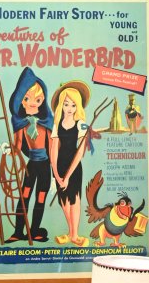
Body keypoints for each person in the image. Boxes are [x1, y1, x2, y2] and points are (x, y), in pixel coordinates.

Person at [6, 67, 53, 243]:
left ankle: (34, 231)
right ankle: (18, 231)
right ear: (21, 101)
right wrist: (9, 151)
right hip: (31, 166)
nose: (33, 103)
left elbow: (53, 148)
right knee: (24, 196)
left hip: (45, 167)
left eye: (37, 99)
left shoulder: (46, 122)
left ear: (42, 100)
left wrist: (56, 173)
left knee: (40, 198)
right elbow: (17, 145)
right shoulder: (21, 123)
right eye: (27, 98)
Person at [50, 81, 91, 247]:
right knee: (63, 201)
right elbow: (54, 150)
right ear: (61, 104)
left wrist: (67, 177)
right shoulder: (57, 124)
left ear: (78, 106)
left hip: (73, 168)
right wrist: (56, 173)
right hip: (59, 166)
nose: (69, 108)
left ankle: (75, 235)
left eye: (73, 105)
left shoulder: (81, 125)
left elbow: (80, 153)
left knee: (74, 200)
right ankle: (71, 233)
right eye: (66, 104)